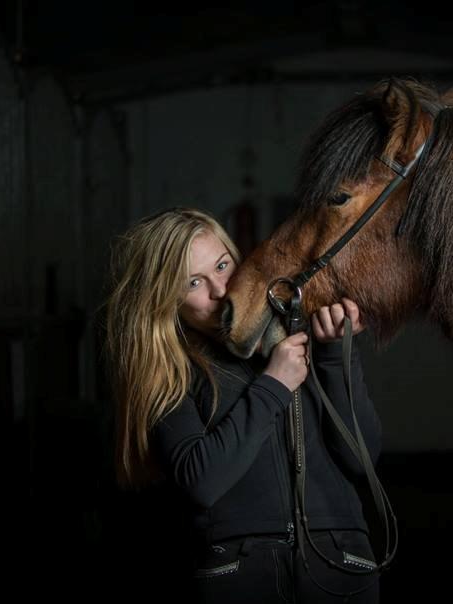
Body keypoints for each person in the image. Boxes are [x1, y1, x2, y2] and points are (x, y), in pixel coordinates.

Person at [104, 207, 383, 603]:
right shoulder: (170, 372)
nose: (220, 290)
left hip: (341, 562)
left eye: (222, 265)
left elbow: (361, 459)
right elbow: (201, 481)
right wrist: (274, 384)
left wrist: (337, 356)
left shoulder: (298, 332)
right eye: (194, 282)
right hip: (241, 573)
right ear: (166, 301)